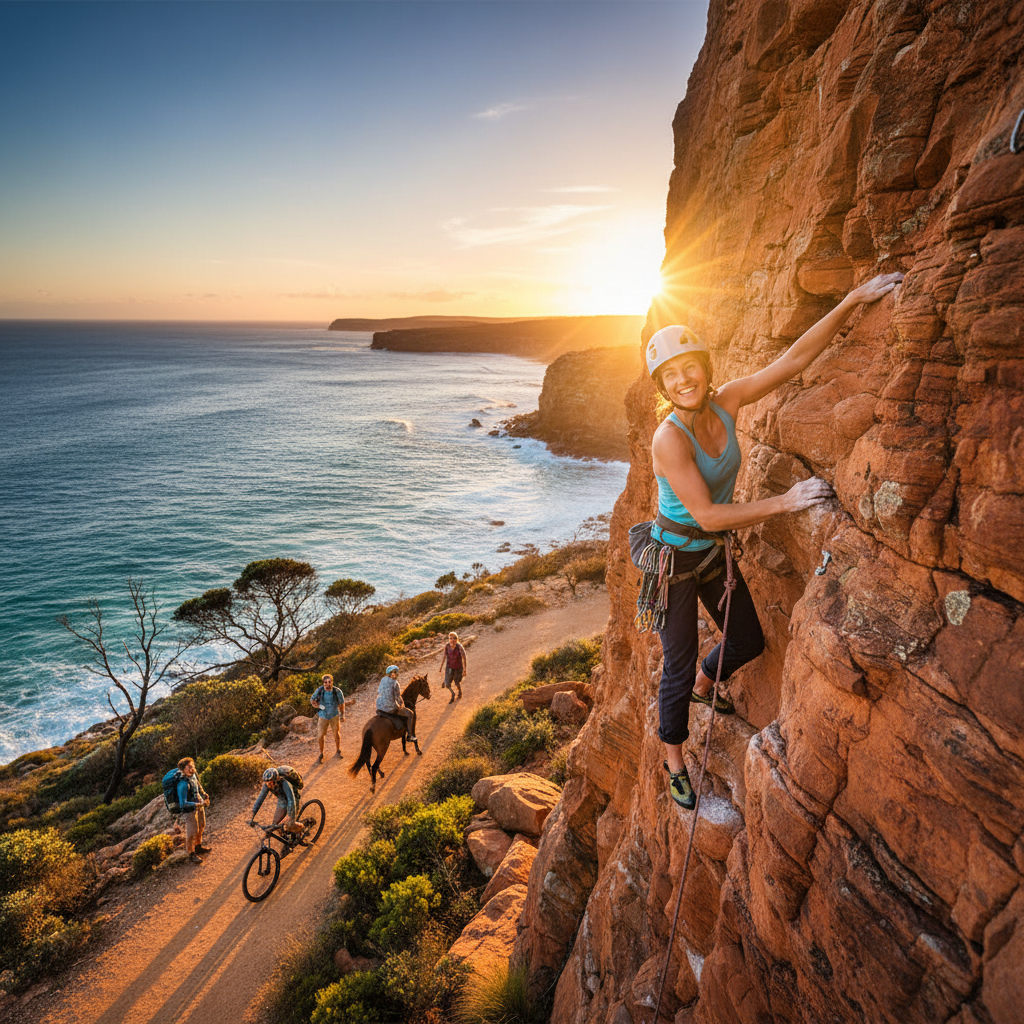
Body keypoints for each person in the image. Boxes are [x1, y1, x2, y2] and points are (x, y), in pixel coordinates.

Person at [647, 272, 902, 810]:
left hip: (709, 555)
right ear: (662, 387)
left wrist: (852, 299)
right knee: (676, 660)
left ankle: (707, 681)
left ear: (705, 367)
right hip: (673, 561)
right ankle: (673, 761)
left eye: (690, 366)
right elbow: (710, 514)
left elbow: (791, 362)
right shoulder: (669, 438)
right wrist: (788, 501)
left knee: (748, 642)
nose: (684, 379)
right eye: (671, 375)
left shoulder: (727, 400)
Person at [249, 766, 304, 838]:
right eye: (267, 783)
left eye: (271, 783)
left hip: (294, 798)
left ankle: (302, 828)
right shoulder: (267, 785)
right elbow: (259, 800)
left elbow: (291, 800)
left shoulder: (285, 783)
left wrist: (290, 815)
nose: (269, 786)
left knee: (289, 824)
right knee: (275, 825)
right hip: (282, 799)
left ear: (276, 780)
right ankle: (288, 841)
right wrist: (251, 816)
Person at [176, 757, 211, 865]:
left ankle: (198, 846)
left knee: (201, 825)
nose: (192, 768)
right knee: (192, 832)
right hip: (190, 810)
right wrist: (198, 804)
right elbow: (183, 803)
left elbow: (197, 783)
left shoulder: (193, 775)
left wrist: (203, 793)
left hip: (199, 803)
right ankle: (191, 854)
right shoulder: (182, 785)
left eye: (192, 766)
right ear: (183, 770)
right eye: (189, 767)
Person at [310, 673, 346, 763]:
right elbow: (312, 699)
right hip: (323, 716)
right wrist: (317, 706)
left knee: (336, 734)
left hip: (334, 715)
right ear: (323, 683)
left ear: (332, 682)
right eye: (325, 682)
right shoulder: (320, 690)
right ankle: (321, 754)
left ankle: (338, 751)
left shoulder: (337, 691)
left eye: (329, 682)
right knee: (320, 735)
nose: (327, 684)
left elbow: (342, 704)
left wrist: (342, 715)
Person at [376, 665, 417, 741]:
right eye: (396, 672)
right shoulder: (395, 683)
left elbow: (379, 693)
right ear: (393, 673)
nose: (397, 674)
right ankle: (410, 736)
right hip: (390, 708)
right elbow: (398, 697)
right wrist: (402, 706)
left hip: (379, 707)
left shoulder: (382, 680)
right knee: (410, 714)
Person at [438, 632, 467, 704]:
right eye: (451, 638)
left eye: (454, 638)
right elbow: (444, 656)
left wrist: (465, 669)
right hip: (449, 667)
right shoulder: (447, 646)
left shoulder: (459, 647)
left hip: (458, 668)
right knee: (447, 684)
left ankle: (459, 692)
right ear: (449, 639)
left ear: (456, 639)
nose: (452, 640)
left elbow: (464, 658)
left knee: (457, 682)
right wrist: (441, 667)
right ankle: (453, 693)